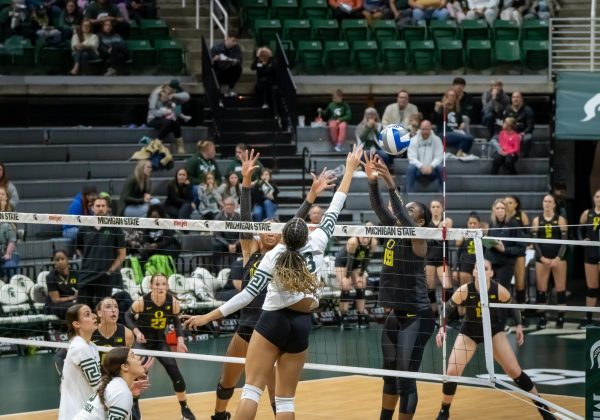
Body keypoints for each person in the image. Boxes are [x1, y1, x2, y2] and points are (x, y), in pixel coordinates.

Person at [183, 145, 363, 420]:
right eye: (266, 228)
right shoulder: (312, 243)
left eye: (275, 229)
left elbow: (244, 295)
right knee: (275, 397)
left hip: (268, 324)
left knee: (255, 393)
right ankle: (219, 414)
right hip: (280, 325)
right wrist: (348, 170)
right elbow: (333, 208)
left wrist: (208, 316)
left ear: (281, 236)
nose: (270, 231)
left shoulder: (273, 257)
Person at [434, 260, 556, 420]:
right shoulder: (465, 290)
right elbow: (447, 310)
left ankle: (542, 408)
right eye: (478, 268)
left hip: (493, 331)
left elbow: (513, 306)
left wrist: (519, 325)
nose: (482, 271)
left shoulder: (498, 290)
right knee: (451, 372)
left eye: (485, 268)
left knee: (514, 371)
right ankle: (444, 410)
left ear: (491, 273)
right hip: (470, 331)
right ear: (474, 272)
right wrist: (442, 328)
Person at [362, 151, 433, 420]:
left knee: (406, 380)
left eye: (413, 209)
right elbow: (381, 208)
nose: (406, 211)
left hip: (417, 317)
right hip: (396, 316)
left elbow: (402, 214)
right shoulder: (393, 228)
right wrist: (372, 181)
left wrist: (390, 182)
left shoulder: (420, 239)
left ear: (422, 221)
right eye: (407, 207)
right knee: (389, 376)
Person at [125, 273, 197, 420]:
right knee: (139, 375)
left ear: (167, 286)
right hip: (142, 342)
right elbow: (127, 316)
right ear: (151, 286)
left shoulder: (173, 302)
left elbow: (176, 323)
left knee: (176, 374)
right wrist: (137, 332)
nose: (161, 287)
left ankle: (184, 408)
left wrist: (180, 340)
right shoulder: (142, 301)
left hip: (159, 342)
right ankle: (134, 405)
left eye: (164, 284)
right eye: (157, 284)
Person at [76, 197, 126, 308]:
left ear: (108, 208)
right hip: (86, 274)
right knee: (82, 309)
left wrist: (110, 270)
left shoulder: (114, 227)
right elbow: (79, 249)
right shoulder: (84, 227)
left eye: (103, 206)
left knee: (103, 310)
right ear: (92, 208)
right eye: (98, 206)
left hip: (105, 276)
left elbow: (122, 253)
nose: (100, 208)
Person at [73, 347, 148, 420]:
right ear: (124, 367)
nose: (138, 357)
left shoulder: (117, 386)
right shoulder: (122, 392)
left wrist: (130, 393)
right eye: (133, 356)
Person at [58, 304, 101, 420]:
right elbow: (97, 385)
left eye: (92, 312)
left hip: (86, 411)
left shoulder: (91, 346)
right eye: (87, 314)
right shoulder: (80, 347)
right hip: (76, 414)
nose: (94, 316)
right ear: (76, 324)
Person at [531, 194, 568, 329]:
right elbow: (534, 242)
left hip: (558, 259)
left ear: (554, 204)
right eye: (545, 201)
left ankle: (560, 317)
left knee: (560, 288)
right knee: (541, 289)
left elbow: (565, 241)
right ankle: (542, 318)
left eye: (549, 201)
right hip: (542, 259)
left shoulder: (560, 219)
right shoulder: (536, 220)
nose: (547, 203)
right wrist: (541, 258)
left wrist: (558, 258)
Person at [335, 232, 378, 329]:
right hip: (343, 262)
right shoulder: (353, 241)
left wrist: (361, 274)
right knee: (346, 286)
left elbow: (366, 260)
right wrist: (347, 277)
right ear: (358, 235)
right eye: (363, 237)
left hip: (357, 264)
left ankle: (361, 316)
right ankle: (344, 317)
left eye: (368, 237)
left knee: (361, 285)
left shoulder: (373, 242)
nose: (365, 240)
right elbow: (349, 262)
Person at [485, 198, 525, 296]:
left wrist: (504, 249)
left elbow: (521, 248)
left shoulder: (514, 224)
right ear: (494, 210)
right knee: (490, 292)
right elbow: (488, 246)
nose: (500, 210)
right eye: (497, 208)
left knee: (502, 292)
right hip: (492, 264)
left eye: (502, 208)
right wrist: (487, 242)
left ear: (506, 210)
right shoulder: (492, 224)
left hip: (506, 264)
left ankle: (505, 311)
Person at [426, 199, 454, 314]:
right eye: (433, 207)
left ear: (442, 208)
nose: (435, 209)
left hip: (442, 259)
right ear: (430, 209)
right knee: (430, 289)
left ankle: (447, 313)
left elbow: (449, 225)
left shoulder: (446, 221)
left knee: (447, 288)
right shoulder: (427, 222)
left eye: (438, 206)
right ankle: (434, 312)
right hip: (429, 258)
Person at [578, 188, 600, 329]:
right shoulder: (587, 213)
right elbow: (579, 229)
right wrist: (583, 240)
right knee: (592, 288)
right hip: (591, 254)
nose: (599, 199)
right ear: (594, 198)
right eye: (597, 196)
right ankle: (588, 317)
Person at [147, 83, 189, 153]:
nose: (165, 96)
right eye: (165, 93)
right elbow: (154, 113)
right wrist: (166, 112)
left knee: (174, 121)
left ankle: (180, 146)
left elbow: (186, 98)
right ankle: (156, 144)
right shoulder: (156, 97)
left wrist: (174, 100)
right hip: (153, 119)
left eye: (168, 94)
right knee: (168, 121)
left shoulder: (172, 99)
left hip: (167, 121)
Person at [504, 194, 529, 308]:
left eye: (510, 202)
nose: (507, 205)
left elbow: (528, 233)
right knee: (506, 283)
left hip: (518, 251)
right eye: (505, 203)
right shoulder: (502, 216)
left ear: (516, 204)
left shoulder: (521, 215)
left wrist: (527, 244)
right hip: (506, 251)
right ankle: (508, 310)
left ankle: (521, 309)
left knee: (520, 283)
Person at [432, 89, 474, 157]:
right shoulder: (442, 108)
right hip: (444, 133)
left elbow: (459, 123)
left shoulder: (457, 110)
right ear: (446, 97)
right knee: (466, 138)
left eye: (454, 96)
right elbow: (435, 120)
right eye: (450, 95)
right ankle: (460, 154)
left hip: (456, 132)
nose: (452, 97)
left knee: (470, 138)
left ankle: (460, 153)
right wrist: (437, 110)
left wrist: (461, 124)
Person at [405, 120, 444, 193]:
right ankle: (409, 195)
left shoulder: (437, 140)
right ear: (420, 129)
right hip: (418, 170)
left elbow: (439, 157)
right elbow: (411, 157)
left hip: (432, 170)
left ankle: (441, 193)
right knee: (410, 168)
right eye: (423, 129)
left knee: (441, 168)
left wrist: (431, 166)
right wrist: (421, 166)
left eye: (427, 129)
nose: (425, 132)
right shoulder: (413, 140)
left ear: (431, 129)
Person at [44, 250, 79, 319]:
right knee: (75, 307)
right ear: (54, 263)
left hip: (73, 302)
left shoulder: (76, 274)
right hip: (54, 306)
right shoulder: (51, 276)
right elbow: (56, 300)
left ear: (67, 260)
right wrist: (73, 297)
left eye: (62, 259)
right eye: (57, 260)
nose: (60, 261)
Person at [503, 91, 535, 158]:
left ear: (521, 99)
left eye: (517, 97)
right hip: (511, 133)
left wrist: (522, 134)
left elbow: (530, 126)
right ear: (511, 99)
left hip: (523, 133)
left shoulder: (528, 110)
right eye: (513, 97)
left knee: (528, 138)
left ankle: (523, 155)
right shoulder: (507, 109)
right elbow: (504, 124)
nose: (515, 99)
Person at [214, 196, 242, 268]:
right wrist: (228, 245)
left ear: (234, 206)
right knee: (216, 245)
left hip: (237, 243)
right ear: (223, 206)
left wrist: (235, 244)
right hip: (224, 243)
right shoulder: (218, 217)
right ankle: (217, 270)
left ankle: (242, 270)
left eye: (231, 204)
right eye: (227, 204)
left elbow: (243, 234)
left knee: (246, 243)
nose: (229, 206)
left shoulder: (239, 217)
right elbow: (217, 235)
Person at [455, 212, 481, 286]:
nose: (472, 225)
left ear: (479, 224)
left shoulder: (482, 235)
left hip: (479, 266)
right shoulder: (462, 236)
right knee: (465, 289)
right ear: (467, 224)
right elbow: (458, 253)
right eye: (470, 223)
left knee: (479, 290)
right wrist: (455, 269)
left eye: (475, 223)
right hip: (465, 265)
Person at [0, 186, 18, 281]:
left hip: (8, 253)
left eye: (2, 194)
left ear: (7, 197)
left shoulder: (11, 215)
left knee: (10, 265)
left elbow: (12, 239)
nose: (0, 196)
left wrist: (7, 253)